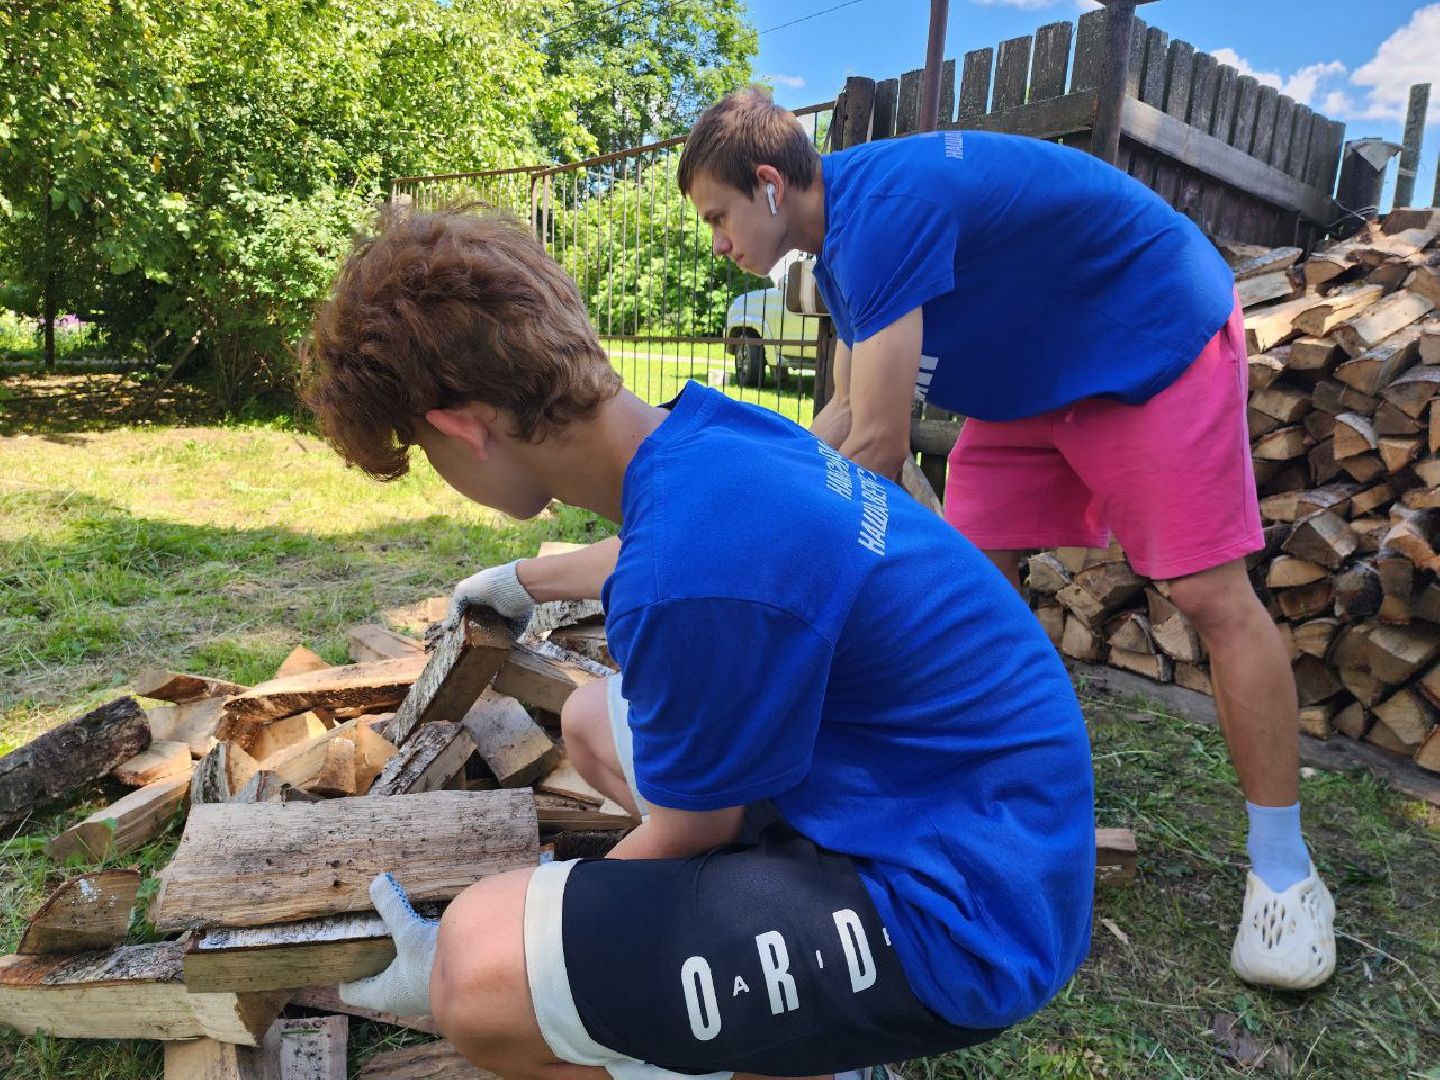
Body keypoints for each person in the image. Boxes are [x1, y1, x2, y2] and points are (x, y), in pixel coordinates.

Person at [300, 207, 1096, 1078]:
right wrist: (522, 582)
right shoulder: (711, 438)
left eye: (421, 447)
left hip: (959, 917)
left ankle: (775, 1049)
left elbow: (689, 830)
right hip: (978, 818)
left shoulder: (688, 576)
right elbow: (673, 553)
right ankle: (778, 1010)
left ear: (460, 425)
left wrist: (519, 944)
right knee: (597, 720)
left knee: (476, 967)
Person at [676, 87, 1335, 992]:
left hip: (1145, 337)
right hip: (1029, 379)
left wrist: (762, 565)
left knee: (1207, 596)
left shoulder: (881, 213)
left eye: (717, 216)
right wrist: (740, 491)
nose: (716, 241)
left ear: (768, 185)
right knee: (968, 594)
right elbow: (836, 416)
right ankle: (977, 815)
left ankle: (1286, 873)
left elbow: (875, 446)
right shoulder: (836, 253)